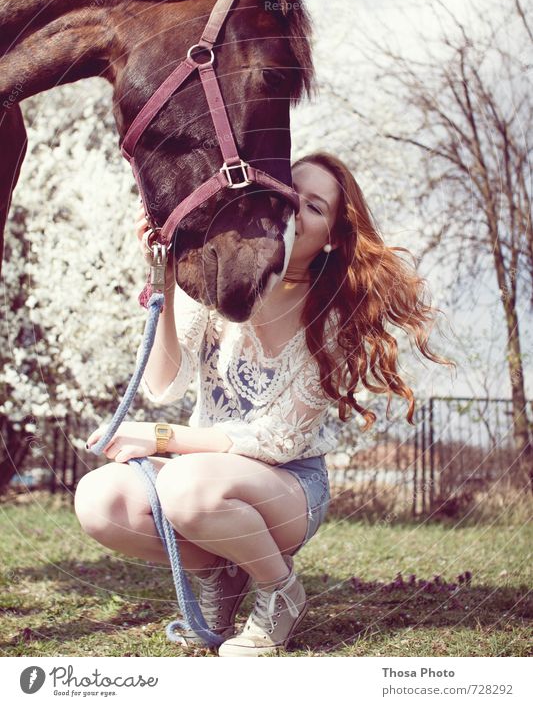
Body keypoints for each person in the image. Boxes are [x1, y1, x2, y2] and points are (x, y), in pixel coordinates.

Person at [75, 151, 452, 657]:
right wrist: (163, 273)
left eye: (314, 206)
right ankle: (218, 577)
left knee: (187, 485)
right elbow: (165, 383)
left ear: (336, 235)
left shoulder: (336, 311)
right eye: (289, 193)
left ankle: (280, 590)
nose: (295, 209)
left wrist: (161, 438)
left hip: (287, 486)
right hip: (203, 477)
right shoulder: (220, 277)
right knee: (99, 500)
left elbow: (278, 439)